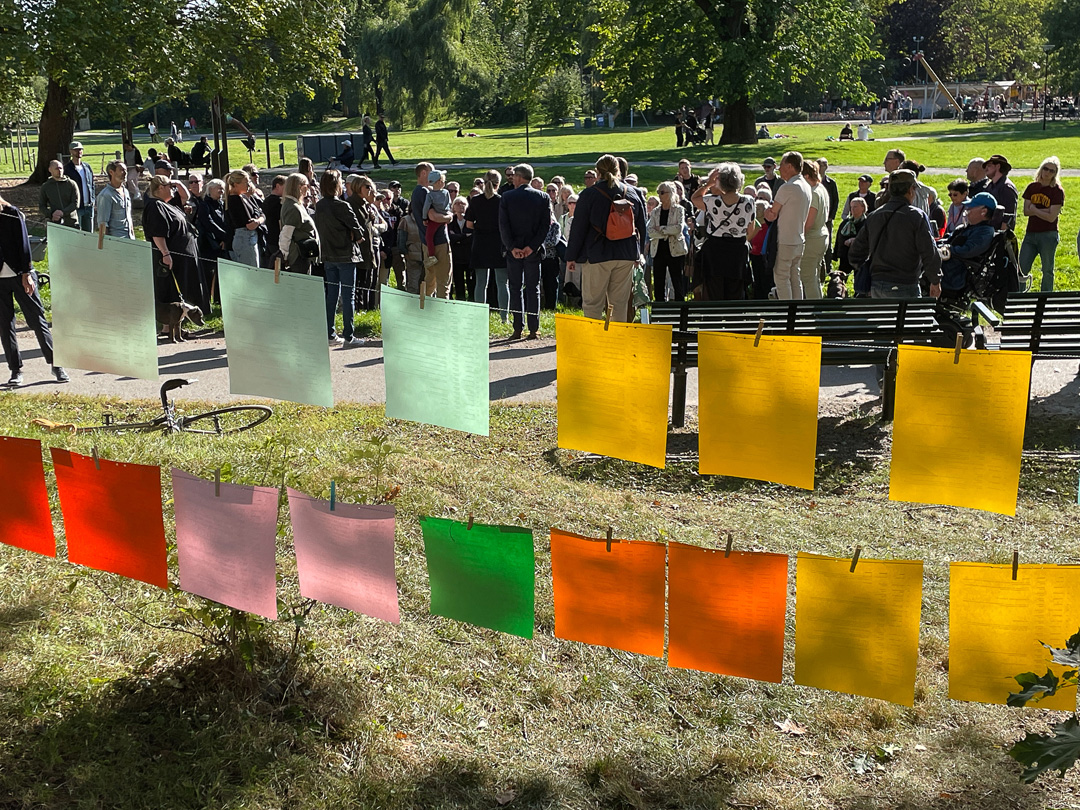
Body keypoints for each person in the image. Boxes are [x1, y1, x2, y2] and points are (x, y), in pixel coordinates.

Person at [564, 153, 647, 323]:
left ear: (598, 172)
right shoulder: (634, 192)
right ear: (619, 170)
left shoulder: (589, 194)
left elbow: (578, 229)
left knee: (593, 304)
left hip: (597, 254)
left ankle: (595, 345)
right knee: (619, 306)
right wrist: (638, 253)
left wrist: (571, 256)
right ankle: (616, 345)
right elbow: (641, 226)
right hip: (625, 254)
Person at [0, 193, 68, 385]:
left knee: (37, 320)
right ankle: (15, 370)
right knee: (5, 326)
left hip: (20, 274)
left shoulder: (11, 213)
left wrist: (27, 273)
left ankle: (57, 365)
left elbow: (23, 244)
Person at [847, 169, 941, 299]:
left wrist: (868, 269)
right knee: (907, 319)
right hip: (905, 283)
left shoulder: (875, 216)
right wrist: (935, 280)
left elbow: (855, 253)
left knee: (884, 319)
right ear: (910, 190)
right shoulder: (916, 216)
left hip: (877, 284)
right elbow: (929, 252)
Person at [498, 163, 552, 339]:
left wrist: (512, 247)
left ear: (519, 177)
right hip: (533, 250)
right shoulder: (543, 197)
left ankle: (517, 328)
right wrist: (532, 246)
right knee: (533, 288)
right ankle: (533, 328)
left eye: (513, 176)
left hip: (514, 249)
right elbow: (545, 226)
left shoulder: (506, 197)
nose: (512, 178)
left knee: (515, 288)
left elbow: (503, 226)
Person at [691, 163, 757, 300]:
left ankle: (716, 319)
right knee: (736, 292)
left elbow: (694, 199)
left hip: (715, 251)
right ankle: (734, 320)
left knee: (714, 292)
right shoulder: (749, 201)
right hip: (738, 251)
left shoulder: (712, 201)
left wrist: (708, 184)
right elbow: (751, 229)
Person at [313, 170, 364, 345]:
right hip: (346, 255)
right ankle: (349, 335)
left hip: (328, 255)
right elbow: (358, 232)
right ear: (336, 185)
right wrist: (352, 233)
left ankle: (329, 333)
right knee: (348, 295)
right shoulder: (342, 205)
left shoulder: (319, 206)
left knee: (331, 295)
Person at [143, 175, 206, 310]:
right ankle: (168, 326)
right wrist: (165, 254)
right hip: (171, 257)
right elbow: (157, 233)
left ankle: (179, 324)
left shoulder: (167, 204)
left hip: (182, 257)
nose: (173, 190)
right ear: (161, 188)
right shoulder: (155, 206)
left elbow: (186, 197)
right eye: (170, 187)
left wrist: (176, 182)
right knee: (171, 289)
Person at [763, 151, 812, 299]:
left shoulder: (787, 187)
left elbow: (772, 214)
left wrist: (765, 210)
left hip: (786, 240)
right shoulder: (806, 185)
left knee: (781, 278)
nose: (779, 169)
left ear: (790, 166)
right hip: (799, 238)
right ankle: (796, 313)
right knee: (794, 277)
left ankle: (786, 314)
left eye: (782, 165)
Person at [466, 169, 509, 320]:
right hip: (499, 242)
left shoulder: (475, 200)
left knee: (481, 282)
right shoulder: (503, 200)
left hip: (481, 242)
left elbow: (469, 224)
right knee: (502, 282)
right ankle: (504, 316)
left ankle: (480, 317)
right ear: (499, 183)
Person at [939, 191, 997, 299]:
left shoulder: (985, 231)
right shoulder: (968, 227)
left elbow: (968, 250)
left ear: (983, 212)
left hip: (954, 274)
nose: (967, 210)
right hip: (946, 268)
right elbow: (947, 240)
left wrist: (949, 250)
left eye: (970, 208)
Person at [1019, 157, 1065, 292]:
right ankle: (1019, 296)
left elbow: (1051, 217)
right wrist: (1044, 211)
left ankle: (1046, 298)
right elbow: (1026, 211)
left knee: (1047, 270)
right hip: (1031, 234)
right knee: (1021, 268)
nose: (1047, 173)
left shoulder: (1057, 191)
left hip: (1048, 235)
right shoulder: (1032, 187)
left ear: (1055, 174)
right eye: (1046, 168)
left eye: (1052, 171)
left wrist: (1035, 209)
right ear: (1041, 169)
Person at [346, 174, 384, 309]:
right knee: (359, 284)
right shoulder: (351, 204)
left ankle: (367, 308)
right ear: (358, 187)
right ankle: (358, 310)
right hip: (358, 251)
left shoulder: (365, 205)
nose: (370, 190)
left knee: (368, 282)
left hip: (368, 249)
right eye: (367, 187)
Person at [646, 181, 688, 302]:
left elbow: (678, 228)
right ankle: (660, 309)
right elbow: (650, 231)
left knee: (677, 281)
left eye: (662, 192)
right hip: (658, 250)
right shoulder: (655, 212)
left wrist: (662, 229)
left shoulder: (679, 210)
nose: (659, 195)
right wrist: (667, 232)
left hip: (675, 250)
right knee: (658, 282)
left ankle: (680, 310)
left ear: (670, 193)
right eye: (659, 192)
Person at [278, 172, 321, 276]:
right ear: (299, 187)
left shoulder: (295, 204)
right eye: (307, 186)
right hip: (298, 256)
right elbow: (286, 234)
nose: (309, 189)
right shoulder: (293, 207)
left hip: (303, 253)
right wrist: (285, 256)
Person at [798, 160, 830, 299]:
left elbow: (809, 222)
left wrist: (798, 238)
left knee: (808, 278)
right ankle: (817, 308)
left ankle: (814, 312)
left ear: (805, 176)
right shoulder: (821, 188)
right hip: (822, 235)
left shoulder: (813, 192)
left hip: (812, 238)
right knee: (814, 277)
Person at [225, 169, 264, 267]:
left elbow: (259, 212)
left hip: (249, 237)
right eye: (246, 182)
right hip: (245, 238)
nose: (249, 185)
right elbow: (250, 225)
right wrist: (260, 219)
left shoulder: (244, 197)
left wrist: (259, 219)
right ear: (236, 184)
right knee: (251, 271)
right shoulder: (234, 200)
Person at [94, 160, 134, 239]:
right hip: (116, 240)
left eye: (126, 170)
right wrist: (108, 245)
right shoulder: (105, 195)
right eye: (121, 170)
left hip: (130, 238)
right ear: (111, 172)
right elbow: (103, 224)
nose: (125, 173)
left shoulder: (125, 191)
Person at [422, 169, 451, 269]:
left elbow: (426, 207)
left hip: (434, 220)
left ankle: (431, 255)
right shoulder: (446, 192)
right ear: (439, 182)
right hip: (445, 215)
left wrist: (424, 217)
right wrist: (447, 212)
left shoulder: (430, 195)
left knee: (429, 237)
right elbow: (448, 204)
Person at [835, 196, 868, 282]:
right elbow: (839, 239)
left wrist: (855, 240)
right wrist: (836, 254)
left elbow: (868, 238)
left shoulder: (867, 223)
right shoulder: (845, 223)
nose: (852, 209)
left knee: (860, 279)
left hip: (860, 256)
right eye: (851, 207)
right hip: (845, 256)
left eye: (855, 207)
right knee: (841, 279)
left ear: (863, 208)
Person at [39, 160, 80, 228]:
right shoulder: (46, 186)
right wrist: (52, 214)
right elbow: (42, 206)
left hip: (72, 222)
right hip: (55, 223)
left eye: (61, 168)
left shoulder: (71, 184)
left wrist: (63, 212)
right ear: (50, 170)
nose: (59, 170)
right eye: (56, 168)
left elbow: (75, 203)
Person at [64, 142, 95, 232]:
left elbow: (92, 184)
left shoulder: (87, 167)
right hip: (77, 207)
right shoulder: (67, 169)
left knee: (89, 234)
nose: (79, 151)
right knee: (78, 232)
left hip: (89, 206)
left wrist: (92, 199)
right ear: (71, 151)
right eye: (76, 150)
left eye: (80, 149)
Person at [984, 154, 1018, 230]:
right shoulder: (989, 186)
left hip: (997, 233)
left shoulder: (1006, 188)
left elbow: (1008, 216)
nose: (986, 169)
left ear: (998, 166)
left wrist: (1001, 236)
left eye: (989, 165)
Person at [448, 196, 473, 300]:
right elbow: (451, 237)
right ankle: (460, 300)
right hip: (456, 257)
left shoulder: (470, 221)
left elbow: (471, 237)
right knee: (458, 281)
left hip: (469, 256)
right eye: (457, 203)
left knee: (471, 281)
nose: (460, 206)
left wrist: (458, 238)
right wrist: (464, 236)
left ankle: (471, 300)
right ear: (453, 207)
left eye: (463, 203)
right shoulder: (450, 221)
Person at [261, 175, 286, 267]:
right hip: (277, 239)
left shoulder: (265, 201)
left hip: (269, 239)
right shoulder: (279, 202)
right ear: (278, 186)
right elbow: (281, 222)